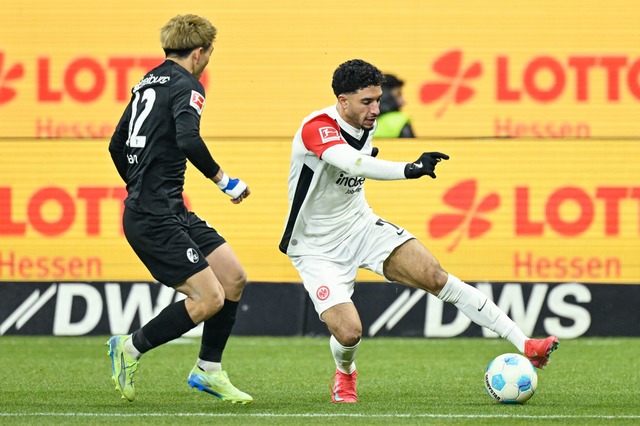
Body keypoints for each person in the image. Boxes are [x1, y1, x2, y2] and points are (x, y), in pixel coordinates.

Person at [278, 59, 558, 403]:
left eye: (378, 99)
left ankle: (526, 343)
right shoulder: (317, 127)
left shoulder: (366, 122)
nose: (376, 109)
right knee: (349, 332)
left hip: (361, 227)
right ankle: (346, 373)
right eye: (367, 102)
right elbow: (352, 163)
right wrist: (409, 168)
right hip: (315, 247)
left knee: (434, 275)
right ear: (342, 100)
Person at [106, 14, 253, 404]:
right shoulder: (189, 84)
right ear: (200, 52)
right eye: (210, 54)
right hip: (154, 215)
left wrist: (140, 184)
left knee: (233, 277)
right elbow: (188, 139)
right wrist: (226, 181)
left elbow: (116, 145)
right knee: (209, 299)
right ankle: (130, 347)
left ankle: (208, 371)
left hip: (168, 208)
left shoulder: (146, 82)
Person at [375, 73, 415, 138]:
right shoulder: (399, 121)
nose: (403, 102)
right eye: (399, 94)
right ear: (385, 95)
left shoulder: (358, 121)